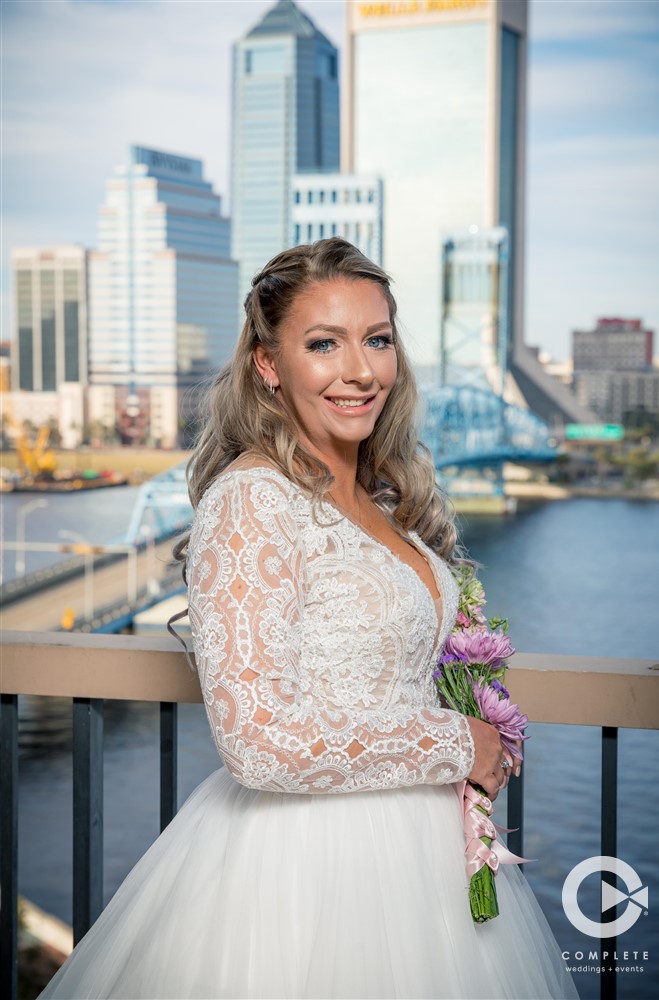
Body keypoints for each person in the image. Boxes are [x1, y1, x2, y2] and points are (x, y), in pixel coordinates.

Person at [41, 238, 577, 999]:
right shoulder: (252, 500)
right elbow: (257, 743)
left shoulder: (384, 498)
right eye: (324, 344)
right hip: (307, 869)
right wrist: (458, 739)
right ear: (268, 364)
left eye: (377, 340)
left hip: (420, 857)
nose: (360, 370)